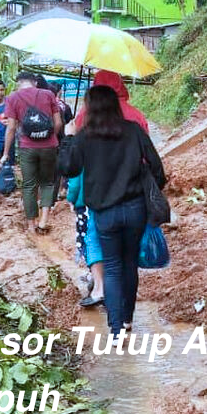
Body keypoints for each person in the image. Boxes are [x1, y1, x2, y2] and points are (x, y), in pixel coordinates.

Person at [60, 85, 165, 335]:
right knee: (129, 263)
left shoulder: (84, 137)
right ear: (115, 104)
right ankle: (127, 320)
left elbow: (68, 168)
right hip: (135, 208)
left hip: (104, 212)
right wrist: (147, 186)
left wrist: (68, 137)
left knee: (113, 265)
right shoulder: (133, 130)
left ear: (89, 108)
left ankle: (116, 329)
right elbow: (157, 169)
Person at [2, 71, 64, 234]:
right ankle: (44, 221)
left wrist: (6, 153)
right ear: (35, 82)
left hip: (26, 147)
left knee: (29, 185)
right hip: (49, 146)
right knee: (47, 183)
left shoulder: (13, 98)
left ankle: (31, 224)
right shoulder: (48, 94)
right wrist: (51, 137)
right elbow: (58, 123)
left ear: (18, 83)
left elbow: (11, 128)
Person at [66, 171, 105, 307]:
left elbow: (75, 183)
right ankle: (101, 280)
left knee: (89, 243)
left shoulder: (80, 156)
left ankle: (98, 281)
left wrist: (71, 198)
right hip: (108, 201)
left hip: (85, 203)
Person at [76, 70, 149, 133]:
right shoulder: (136, 115)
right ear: (120, 85)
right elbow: (144, 140)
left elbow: (76, 137)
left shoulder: (86, 114)